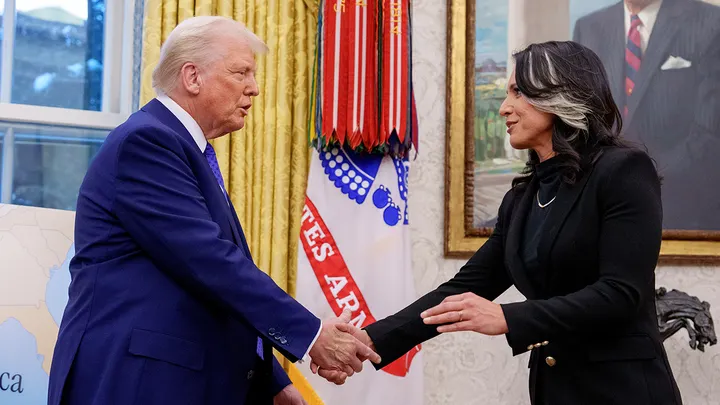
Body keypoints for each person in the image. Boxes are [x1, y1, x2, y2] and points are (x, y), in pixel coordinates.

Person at [315, 41, 683, 404]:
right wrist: (371, 340)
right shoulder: (523, 198)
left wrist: (508, 317)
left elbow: (620, 294)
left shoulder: (624, 171)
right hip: (555, 390)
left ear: (560, 94)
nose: (504, 109)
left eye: (517, 93)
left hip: (625, 390)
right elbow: (463, 289)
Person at [47, 16, 379, 405]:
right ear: (192, 77)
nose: (253, 89)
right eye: (241, 72)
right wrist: (311, 335)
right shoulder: (148, 141)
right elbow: (209, 262)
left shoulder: (185, 149)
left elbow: (206, 283)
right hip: (136, 381)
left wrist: (270, 381)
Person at [573, 0, 720, 231]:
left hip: (685, 209)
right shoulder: (588, 27)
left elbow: (710, 131)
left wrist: (642, 181)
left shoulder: (712, 22)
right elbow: (580, 123)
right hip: (602, 210)